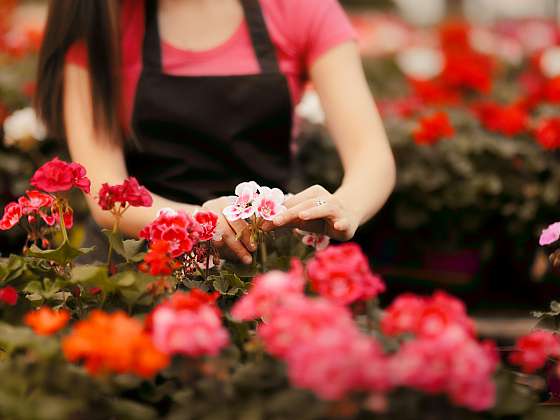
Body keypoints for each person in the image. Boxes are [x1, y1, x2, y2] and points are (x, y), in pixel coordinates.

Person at [35, 0, 395, 264]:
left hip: (270, 250)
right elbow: (106, 194)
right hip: (141, 259)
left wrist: (346, 206)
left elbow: (371, 155)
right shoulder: (99, 16)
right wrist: (204, 223)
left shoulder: (299, 9)